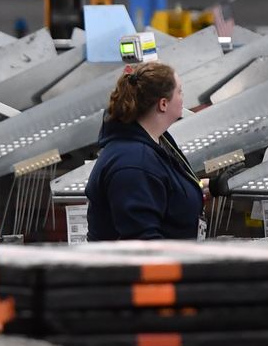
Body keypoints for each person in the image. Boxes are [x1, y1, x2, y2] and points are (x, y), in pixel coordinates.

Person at [85, 61, 205, 241]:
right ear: (163, 104)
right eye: (179, 91)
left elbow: (164, 190)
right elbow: (144, 244)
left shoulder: (159, 141)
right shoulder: (133, 162)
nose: (182, 97)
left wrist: (204, 187)